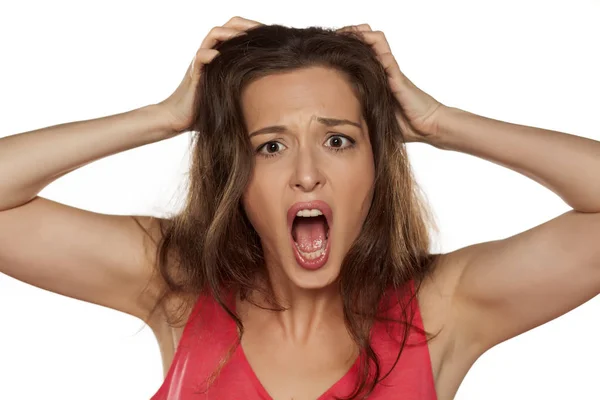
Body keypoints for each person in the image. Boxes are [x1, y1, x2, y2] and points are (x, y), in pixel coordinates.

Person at [0, 15, 599, 400]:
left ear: (376, 162)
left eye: (337, 140)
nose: (307, 174)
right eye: (270, 146)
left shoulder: (447, 305)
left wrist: (441, 123)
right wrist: (166, 117)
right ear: (234, 172)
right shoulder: (178, 283)